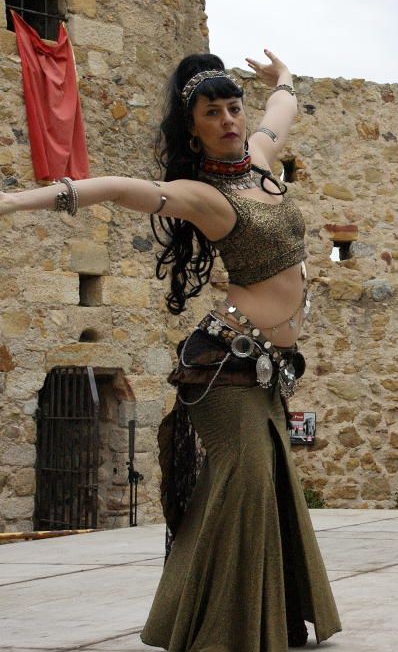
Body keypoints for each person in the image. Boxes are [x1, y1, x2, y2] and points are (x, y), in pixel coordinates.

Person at [0, 51, 341, 649]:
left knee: (264, 483)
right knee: (246, 484)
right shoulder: (202, 195)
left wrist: (282, 78)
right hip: (225, 365)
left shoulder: (261, 161)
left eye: (235, 108)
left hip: (264, 367)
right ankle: (221, 632)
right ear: (195, 128)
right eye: (215, 113)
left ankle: (258, 618)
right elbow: (111, 190)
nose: (232, 121)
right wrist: (13, 202)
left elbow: (282, 110)